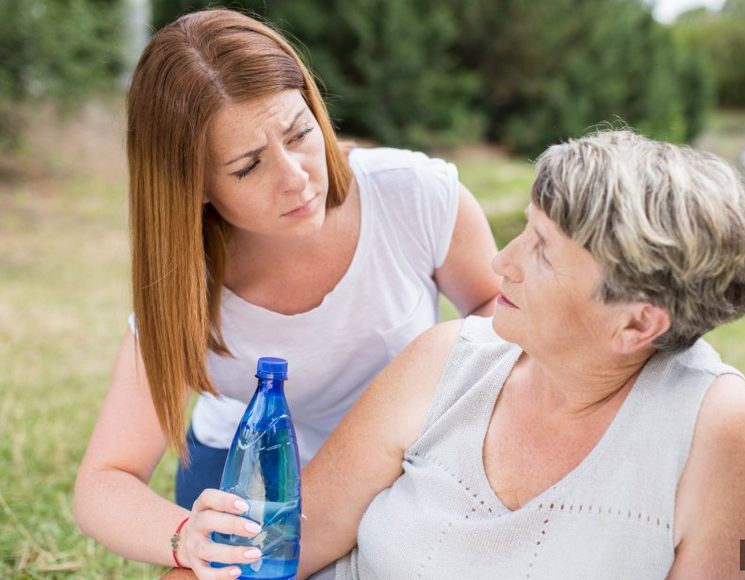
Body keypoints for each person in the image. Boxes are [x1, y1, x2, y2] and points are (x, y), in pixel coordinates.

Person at [73, 8, 498, 579]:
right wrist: (183, 538)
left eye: (300, 133)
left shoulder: (414, 195)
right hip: (243, 481)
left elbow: (506, 326)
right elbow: (105, 480)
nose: (296, 176)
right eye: (248, 166)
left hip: (402, 467)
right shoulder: (186, 282)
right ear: (192, 186)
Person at [291, 130, 745, 579]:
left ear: (637, 323)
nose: (501, 262)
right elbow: (284, 548)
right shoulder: (445, 359)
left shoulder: (720, 433)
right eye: (526, 230)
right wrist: (217, 548)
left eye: (543, 251)